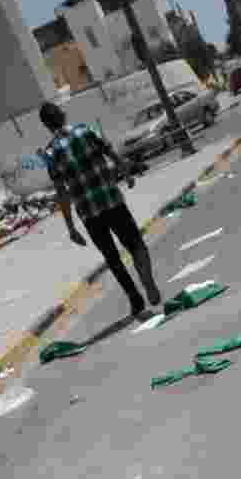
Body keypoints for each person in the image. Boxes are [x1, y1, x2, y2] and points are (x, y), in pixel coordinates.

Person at [39, 101, 161, 318]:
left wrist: (70, 227)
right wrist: (125, 172)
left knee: (112, 258)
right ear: (63, 115)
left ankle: (135, 298)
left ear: (47, 126)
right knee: (135, 244)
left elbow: (62, 193)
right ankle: (147, 281)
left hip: (89, 214)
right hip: (112, 200)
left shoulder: (50, 153)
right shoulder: (86, 130)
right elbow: (110, 152)